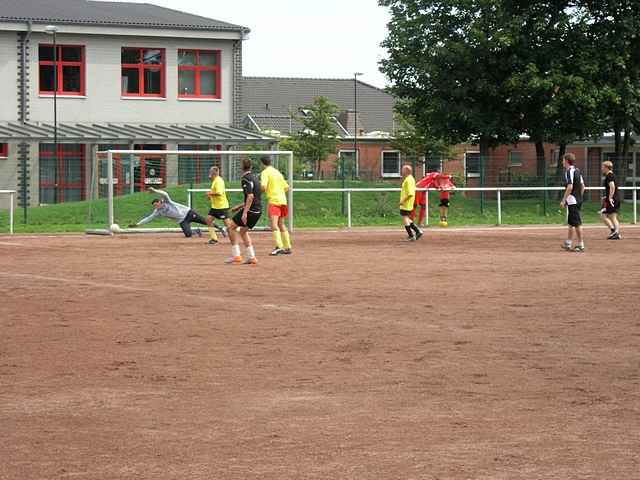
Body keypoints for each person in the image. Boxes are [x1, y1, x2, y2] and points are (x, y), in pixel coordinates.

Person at [224, 158, 262, 265]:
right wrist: (240, 206)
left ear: (241, 167)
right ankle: (251, 257)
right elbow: (254, 198)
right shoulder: (255, 178)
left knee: (231, 227)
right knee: (243, 231)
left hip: (250, 211)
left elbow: (250, 196)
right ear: (250, 167)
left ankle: (236, 255)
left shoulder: (245, 179)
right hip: (258, 211)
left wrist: (244, 212)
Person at [129, 187, 208, 238]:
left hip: (188, 213)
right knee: (188, 235)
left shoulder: (167, 202)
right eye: (155, 206)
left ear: (160, 202)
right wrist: (138, 224)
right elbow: (149, 218)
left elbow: (165, 193)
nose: (156, 207)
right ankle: (197, 231)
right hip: (182, 220)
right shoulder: (157, 211)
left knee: (205, 221)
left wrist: (155, 190)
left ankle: (219, 228)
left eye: (157, 205)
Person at [260, 156, 292, 255]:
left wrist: (258, 192)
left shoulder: (265, 172)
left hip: (274, 200)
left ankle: (279, 246)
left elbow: (263, 187)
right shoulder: (277, 172)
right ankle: (288, 247)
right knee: (281, 224)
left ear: (262, 163)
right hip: (283, 200)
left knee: (274, 225)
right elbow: (287, 187)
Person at [560, 153, 586, 252]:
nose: (562, 162)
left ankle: (581, 244)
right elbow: (583, 186)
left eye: (563, 160)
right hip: (577, 200)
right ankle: (568, 243)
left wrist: (563, 200)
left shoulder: (569, 172)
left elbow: (570, 187)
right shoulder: (577, 171)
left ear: (566, 161)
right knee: (571, 223)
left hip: (573, 201)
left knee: (577, 223)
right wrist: (579, 197)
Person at [205, 166, 231, 245]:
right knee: (208, 220)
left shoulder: (218, 181)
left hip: (221, 206)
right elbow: (215, 191)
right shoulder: (215, 180)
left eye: (210, 172)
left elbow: (219, 192)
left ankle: (235, 237)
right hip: (215, 207)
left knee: (229, 225)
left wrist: (210, 193)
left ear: (213, 173)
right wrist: (210, 196)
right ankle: (214, 239)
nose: (209, 174)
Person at [399, 165, 423, 241]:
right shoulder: (410, 179)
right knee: (406, 218)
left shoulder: (408, 180)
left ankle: (411, 235)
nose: (401, 171)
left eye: (402, 169)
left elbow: (410, 193)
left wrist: (403, 200)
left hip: (406, 202)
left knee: (404, 217)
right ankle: (417, 231)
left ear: (406, 170)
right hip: (408, 202)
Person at [600, 160, 621, 240]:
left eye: (602, 167)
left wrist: (610, 197)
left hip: (613, 199)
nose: (602, 168)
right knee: (609, 216)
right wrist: (607, 196)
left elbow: (612, 187)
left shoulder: (610, 176)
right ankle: (614, 232)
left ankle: (615, 232)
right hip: (613, 198)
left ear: (606, 167)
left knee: (610, 216)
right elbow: (611, 188)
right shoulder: (611, 175)